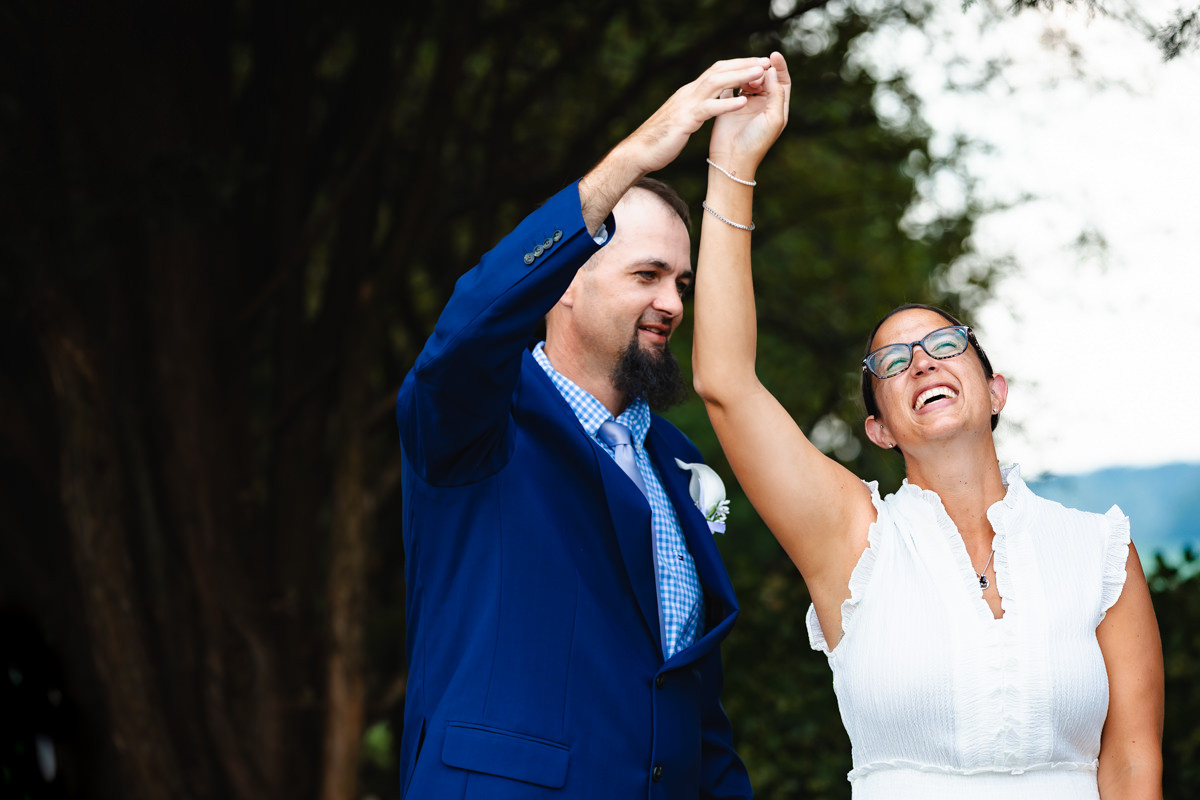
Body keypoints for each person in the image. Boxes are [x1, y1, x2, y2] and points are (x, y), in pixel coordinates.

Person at [690, 52, 1164, 799]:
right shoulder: (851, 540)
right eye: (893, 362)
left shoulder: (1100, 552)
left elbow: (1133, 763)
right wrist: (732, 162)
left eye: (946, 345)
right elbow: (724, 382)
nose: (922, 363)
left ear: (994, 388)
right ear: (880, 429)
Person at [395, 57, 780, 799]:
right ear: (563, 281)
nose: (671, 302)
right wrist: (639, 153)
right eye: (646, 275)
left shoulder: (674, 460)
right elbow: (464, 336)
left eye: (681, 282)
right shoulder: (477, 426)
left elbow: (690, 704)